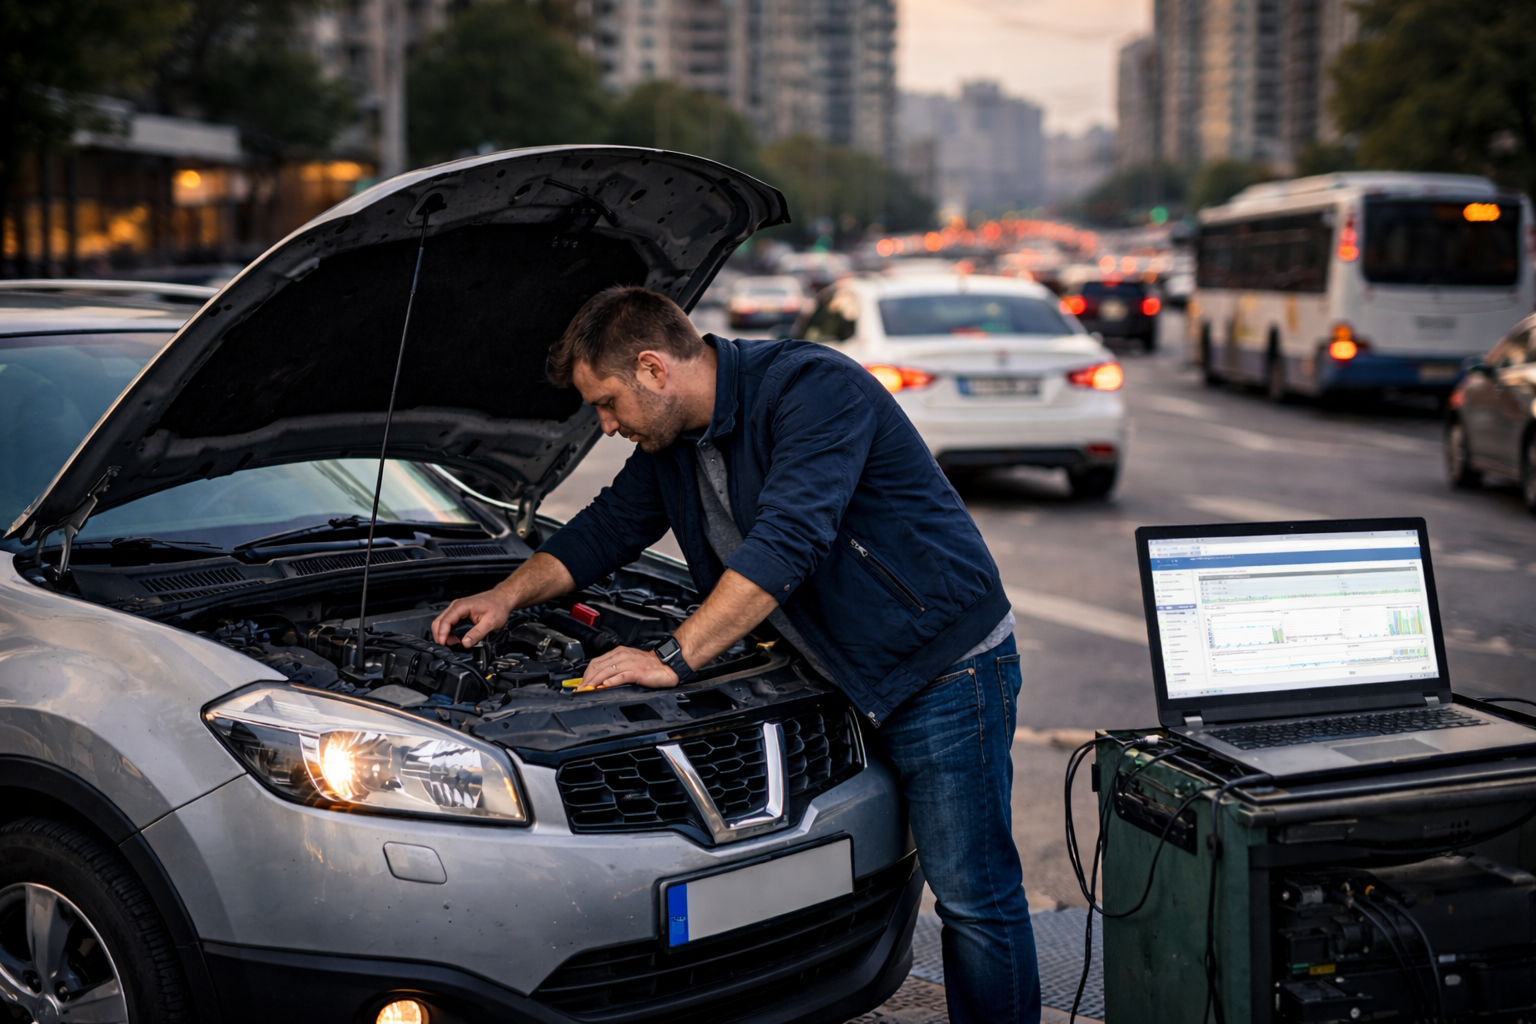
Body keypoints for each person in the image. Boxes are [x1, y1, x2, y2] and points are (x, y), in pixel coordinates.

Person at [431, 285, 1041, 1024]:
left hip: (941, 667)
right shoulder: (671, 442)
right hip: (843, 670)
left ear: (655, 370)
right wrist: (505, 598)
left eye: (607, 402)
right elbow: (605, 529)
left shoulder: (814, 390)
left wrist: (675, 656)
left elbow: (789, 541)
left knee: (974, 897)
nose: (605, 424)